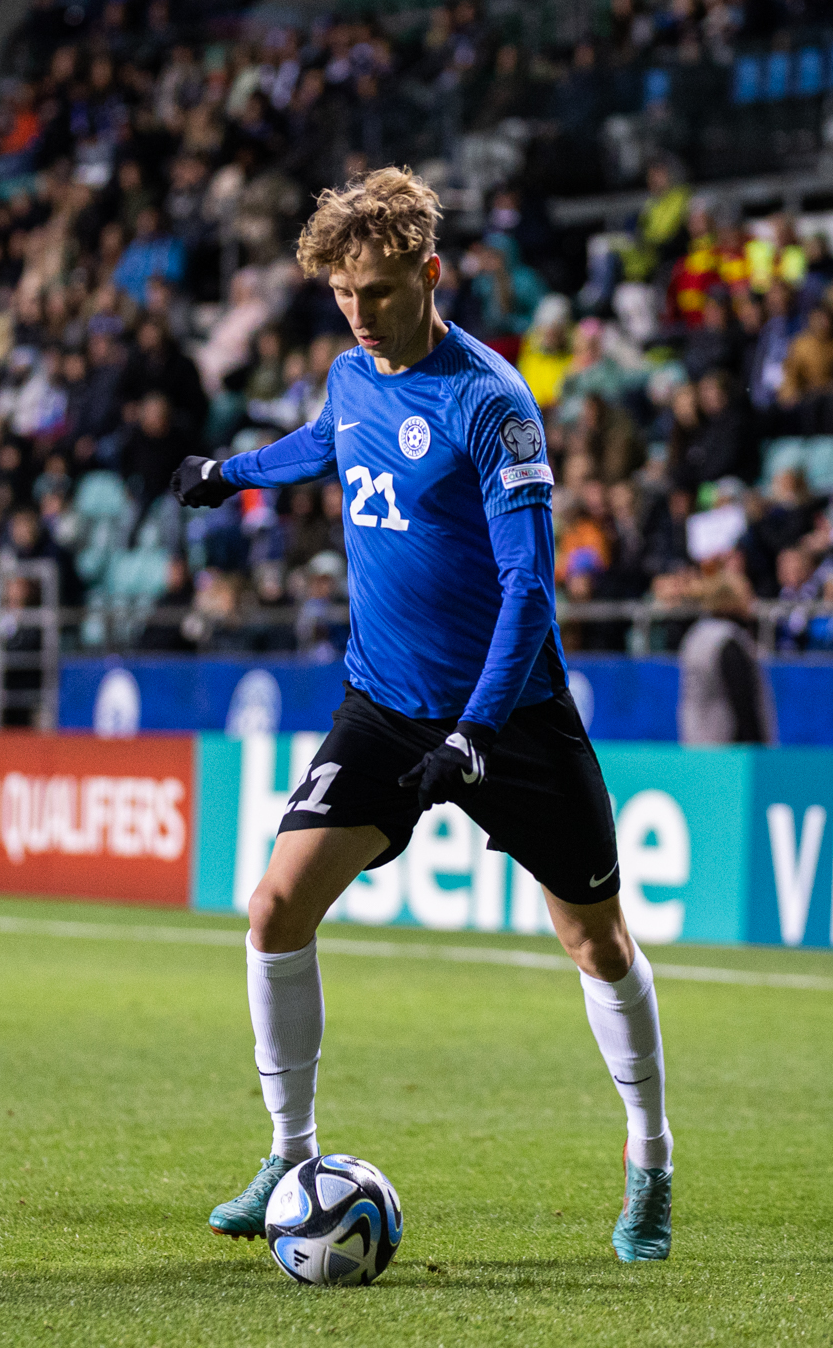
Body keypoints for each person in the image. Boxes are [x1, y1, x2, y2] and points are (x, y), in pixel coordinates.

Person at [170, 169, 672, 1262]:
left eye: (381, 290)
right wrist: (229, 472)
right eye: (343, 293)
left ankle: (649, 1163)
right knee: (272, 909)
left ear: (429, 274)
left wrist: (476, 737)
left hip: (512, 719)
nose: (358, 311)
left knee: (595, 941)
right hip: (385, 708)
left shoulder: (489, 404)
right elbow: (322, 443)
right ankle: (288, 1156)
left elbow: (529, 593)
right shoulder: (352, 376)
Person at [676, 576, 773, 745]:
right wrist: (756, 745)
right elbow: (742, 700)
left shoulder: (696, 635)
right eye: (747, 594)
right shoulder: (727, 641)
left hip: (696, 738)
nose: (752, 601)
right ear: (731, 599)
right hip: (726, 745)